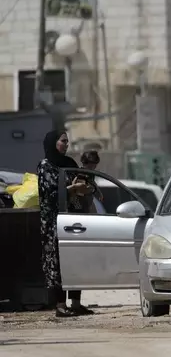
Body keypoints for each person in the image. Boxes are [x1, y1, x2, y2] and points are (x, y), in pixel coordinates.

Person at [37, 130, 95, 317]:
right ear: (53, 142)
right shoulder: (45, 167)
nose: (66, 144)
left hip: (74, 219)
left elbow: (84, 183)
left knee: (75, 261)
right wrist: (72, 189)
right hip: (54, 223)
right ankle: (61, 305)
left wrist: (86, 188)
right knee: (58, 263)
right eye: (63, 141)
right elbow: (50, 195)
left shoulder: (70, 164)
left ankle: (76, 303)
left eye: (67, 141)